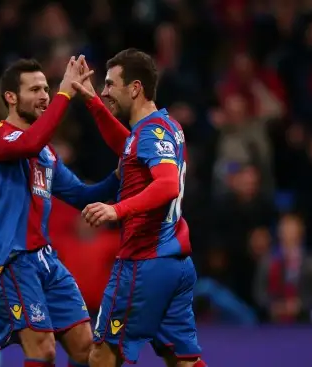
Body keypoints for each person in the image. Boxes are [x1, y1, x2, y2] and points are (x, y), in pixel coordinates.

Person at [0, 56, 120, 367]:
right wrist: (65, 93)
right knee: (42, 350)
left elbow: (82, 195)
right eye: (35, 89)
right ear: (11, 98)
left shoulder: (46, 153)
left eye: (46, 88)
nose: (44, 95)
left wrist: (120, 175)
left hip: (46, 260)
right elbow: (27, 142)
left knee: (87, 348)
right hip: (13, 259)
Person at [74, 49, 207, 367]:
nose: (105, 91)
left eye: (109, 84)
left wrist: (115, 210)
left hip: (142, 263)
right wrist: (91, 100)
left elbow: (167, 185)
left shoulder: (148, 133)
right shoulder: (166, 126)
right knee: (182, 360)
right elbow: (128, 146)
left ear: (135, 88)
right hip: (175, 263)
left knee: (102, 355)